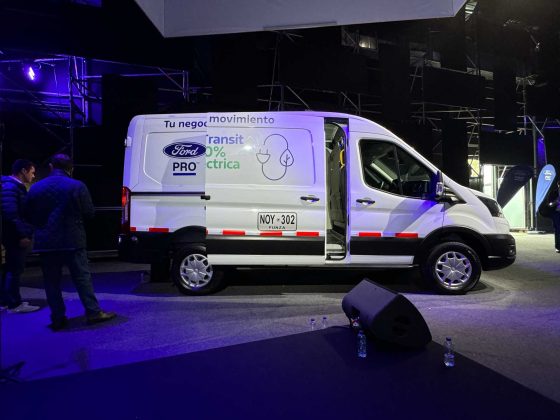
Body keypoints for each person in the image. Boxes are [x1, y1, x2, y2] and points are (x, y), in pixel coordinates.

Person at [25, 154, 116, 330]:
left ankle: (58, 318)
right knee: (82, 278)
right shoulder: (77, 186)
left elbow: (27, 214)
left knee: (51, 281)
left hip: (46, 242)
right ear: (70, 168)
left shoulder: (36, 187)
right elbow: (89, 212)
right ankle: (93, 312)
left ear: (51, 167)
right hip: (73, 240)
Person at [0, 159, 40, 313]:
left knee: (10, 268)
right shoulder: (11, 187)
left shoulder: (11, 186)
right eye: (32, 172)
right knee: (14, 268)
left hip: (12, 233)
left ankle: (6, 301)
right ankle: (14, 303)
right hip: (15, 235)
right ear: (23, 171)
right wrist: (22, 234)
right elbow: (11, 214)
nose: (33, 176)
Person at [551, 181, 560, 253]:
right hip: (557, 213)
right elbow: (550, 204)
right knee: (557, 230)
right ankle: (558, 247)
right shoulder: (554, 192)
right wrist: (556, 202)